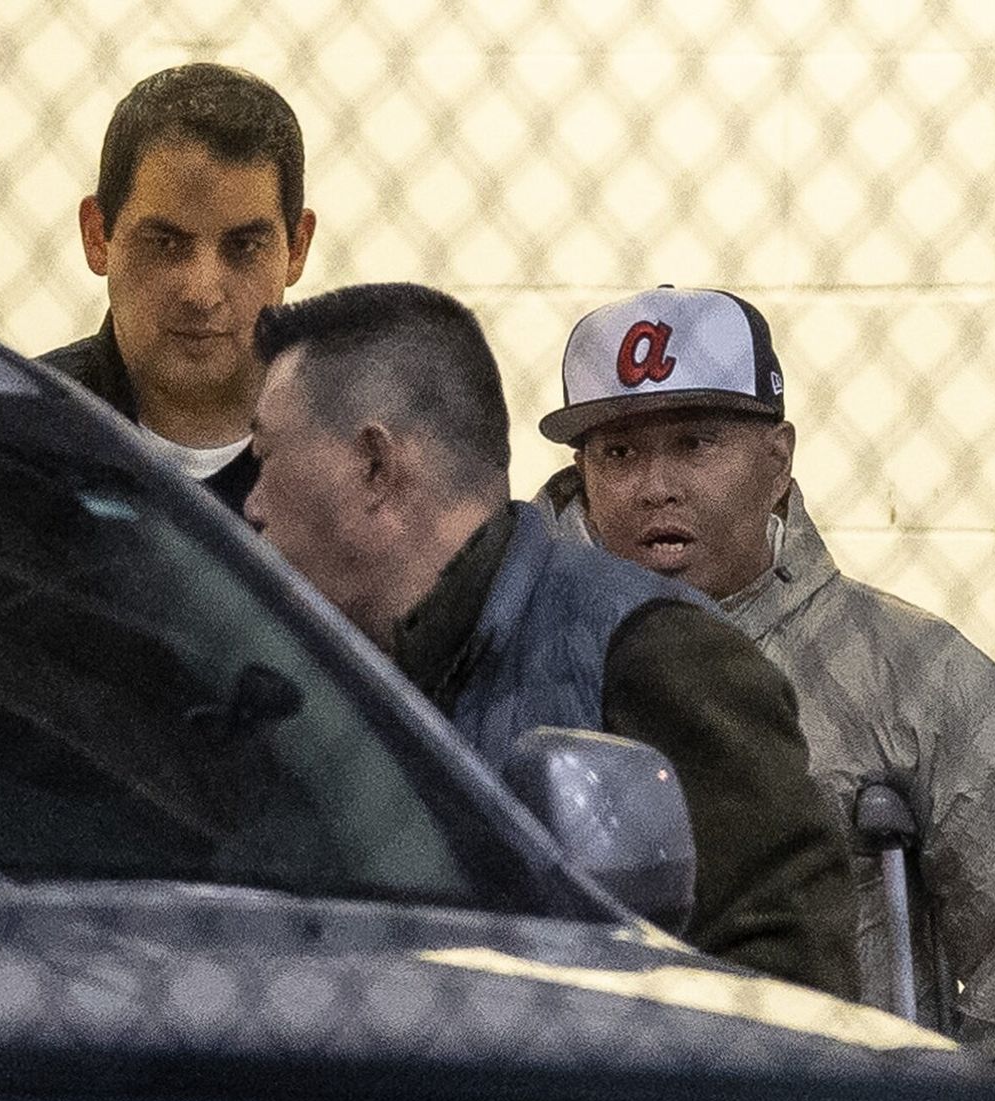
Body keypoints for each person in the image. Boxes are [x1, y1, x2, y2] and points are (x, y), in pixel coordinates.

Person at [532, 284, 995, 1078]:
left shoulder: (922, 684)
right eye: (619, 453)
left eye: (696, 443)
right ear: (581, 470)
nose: (655, 485)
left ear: (778, 460)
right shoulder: (508, 651)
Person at [244, 281, 859, 1000]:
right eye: (620, 452)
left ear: (376, 465)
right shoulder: (308, 680)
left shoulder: (654, 652)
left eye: (267, 456)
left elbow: (792, 998)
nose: (252, 504)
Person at [39, 63, 316, 512]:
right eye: (165, 243)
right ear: (97, 236)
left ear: (297, 248)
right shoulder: (8, 445)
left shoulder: (367, 464)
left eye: (244, 246)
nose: (202, 294)